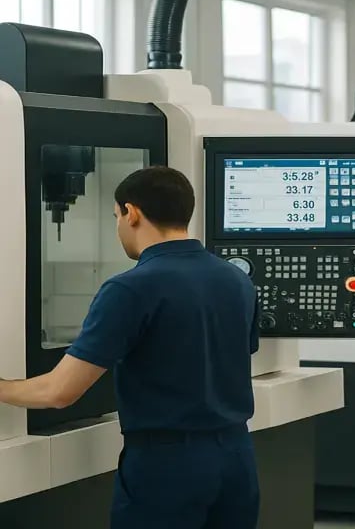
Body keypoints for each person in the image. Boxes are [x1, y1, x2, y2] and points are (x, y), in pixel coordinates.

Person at [0, 167, 260, 529]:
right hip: (237, 458)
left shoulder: (130, 288)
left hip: (166, 468)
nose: (118, 227)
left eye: (115, 216)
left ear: (132, 213)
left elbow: (59, 392)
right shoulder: (236, 279)